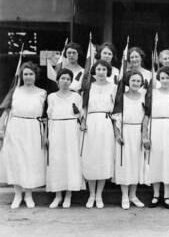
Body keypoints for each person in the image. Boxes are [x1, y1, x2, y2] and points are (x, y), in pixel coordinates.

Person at [0, 62, 47, 209]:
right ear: (21, 76)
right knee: (16, 160)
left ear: (35, 76)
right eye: (25, 74)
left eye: (31, 74)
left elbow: (46, 116)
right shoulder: (15, 91)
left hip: (33, 128)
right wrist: (2, 129)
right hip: (16, 128)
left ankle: (28, 194)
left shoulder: (42, 93)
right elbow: (6, 112)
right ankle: (17, 194)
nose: (28, 77)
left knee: (30, 161)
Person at [46, 68, 85, 209]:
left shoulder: (76, 97)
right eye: (62, 78)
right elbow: (49, 116)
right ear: (57, 80)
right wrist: (47, 135)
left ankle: (68, 195)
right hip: (56, 129)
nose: (65, 81)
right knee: (57, 161)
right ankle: (57, 196)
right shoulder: (51, 97)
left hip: (71, 130)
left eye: (68, 79)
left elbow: (81, 116)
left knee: (70, 161)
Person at [142, 66, 169, 209]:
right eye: (162, 78)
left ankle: (167, 195)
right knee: (155, 160)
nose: (165, 80)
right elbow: (146, 114)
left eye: (167, 78)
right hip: (155, 127)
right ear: (158, 79)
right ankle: (156, 194)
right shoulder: (152, 93)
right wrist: (145, 135)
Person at [81, 60, 117, 209]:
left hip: (106, 123)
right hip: (91, 123)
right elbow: (83, 107)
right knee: (91, 158)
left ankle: (99, 195)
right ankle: (91, 195)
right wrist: (83, 121)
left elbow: (116, 109)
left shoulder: (114, 87)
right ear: (94, 71)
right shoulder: (89, 87)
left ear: (107, 71)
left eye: (104, 69)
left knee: (103, 157)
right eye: (98, 69)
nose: (101, 72)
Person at [113, 70, 146, 210]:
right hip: (125, 132)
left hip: (138, 132)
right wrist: (118, 134)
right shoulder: (121, 97)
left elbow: (146, 118)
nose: (135, 83)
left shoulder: (144, 97)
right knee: (125, 164)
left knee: (136, 164)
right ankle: (125, 195)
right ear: (128, 81)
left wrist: (144, 135)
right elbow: (116, 117)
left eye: (138, 81)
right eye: (133, 80)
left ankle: (133, 195)